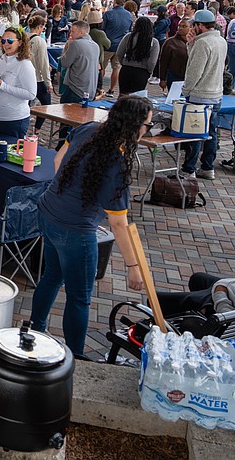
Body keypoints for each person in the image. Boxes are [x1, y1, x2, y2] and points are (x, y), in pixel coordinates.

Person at [30, 96, 151, 357]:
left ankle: (35, 330)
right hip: (75, 231)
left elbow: (57, 161)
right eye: (147, 126)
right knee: (79, 298)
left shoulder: (89, 129)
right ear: (134, 126)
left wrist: (70, 191)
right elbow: (118, 223)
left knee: (51, 276)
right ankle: (75, 358)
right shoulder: (116, 162)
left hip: (48, 211)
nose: (147, 131)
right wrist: (133, 268)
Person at [180, 10, 226, 180]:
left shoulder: (203, 43)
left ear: (200, 25)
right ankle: (208, 167)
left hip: (199, 94)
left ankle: (189, 168)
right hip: (216, 93)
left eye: (194, 25)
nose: (192, 28)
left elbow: (194, 71)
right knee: (211, 133)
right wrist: (190, 44)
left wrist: (186, 90)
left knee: (195, 133)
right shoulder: (221, 40)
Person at [0, 25, 37, 140]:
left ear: (20, 43)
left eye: (10, 41)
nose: (5, 44)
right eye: (3, 40)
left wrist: (4, 87)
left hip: (13, 120)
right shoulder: (3, 58)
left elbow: (31, 94)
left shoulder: (24, 64)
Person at [115, 17, 160, 96]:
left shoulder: (128, 37)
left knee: (122, 95)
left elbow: (119, 53)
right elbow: (152, 62)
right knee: (136, 98)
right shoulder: (153, 41)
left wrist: (124, 63)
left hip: (126, 69)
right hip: (141, 72)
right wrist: (149, 71)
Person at [101, 0, 134, 95]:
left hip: (108, 45)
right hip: (121, 46)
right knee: (116, 68)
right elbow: (129, 30)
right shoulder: (129, 15)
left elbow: (102, 30)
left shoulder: (108, 14)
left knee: (101, 67)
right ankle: (111, 90)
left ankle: (98, 88)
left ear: (114, 2)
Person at [27, 15, 53, 130]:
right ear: (39, 27)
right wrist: (49, 83)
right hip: (37, 78)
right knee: (46, 105)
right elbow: (43, 64)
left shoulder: (23, 37)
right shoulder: (39, 41)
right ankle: (37, 130)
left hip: (25, 77)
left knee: (25, 104)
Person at [157, 19, 192, 91]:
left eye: (184, 26)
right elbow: (163, 62)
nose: (180, 28)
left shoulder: (195, 42)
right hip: (174, 77)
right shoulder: (170, 42)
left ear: (191, 28)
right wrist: (162, 79)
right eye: (179, 26)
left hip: (190, 77)